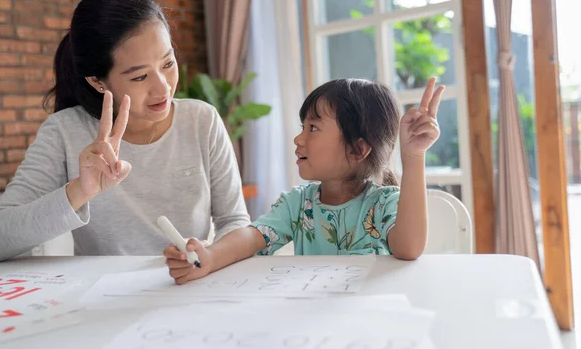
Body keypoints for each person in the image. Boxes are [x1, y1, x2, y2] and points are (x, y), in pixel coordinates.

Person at [0, 0, 250, 263]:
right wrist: (79, 191)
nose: (163, 88)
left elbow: (235, 221)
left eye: (168, 63)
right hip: (100, 299)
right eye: (139, 77)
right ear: (97, 81)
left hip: (191, 288)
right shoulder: (65, 131)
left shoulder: (201, 121)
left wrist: (209, 256)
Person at [164, 77, 444, 284]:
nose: (298, 139)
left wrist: (414, 156)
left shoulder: (382, 203)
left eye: (313, 128)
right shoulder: (299, 204)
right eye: (302, 127)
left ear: (357, 149)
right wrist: (209, 257)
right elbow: (252, 237)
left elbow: (409, 249)